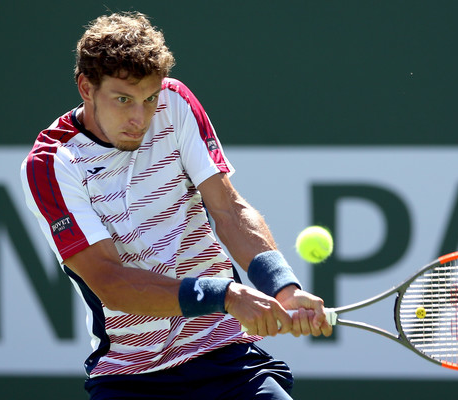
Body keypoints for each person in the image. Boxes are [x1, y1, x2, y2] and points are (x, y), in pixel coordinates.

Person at [20, 11, 331, 400]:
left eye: (149, 99)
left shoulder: (175, 101)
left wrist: (282, 286)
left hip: (226, 359)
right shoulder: (51, 164)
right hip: (130, 378)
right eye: (123, 99)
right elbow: (111, 283)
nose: (140, 118)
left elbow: (228, 210)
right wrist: (227, 295)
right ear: (86, 87)